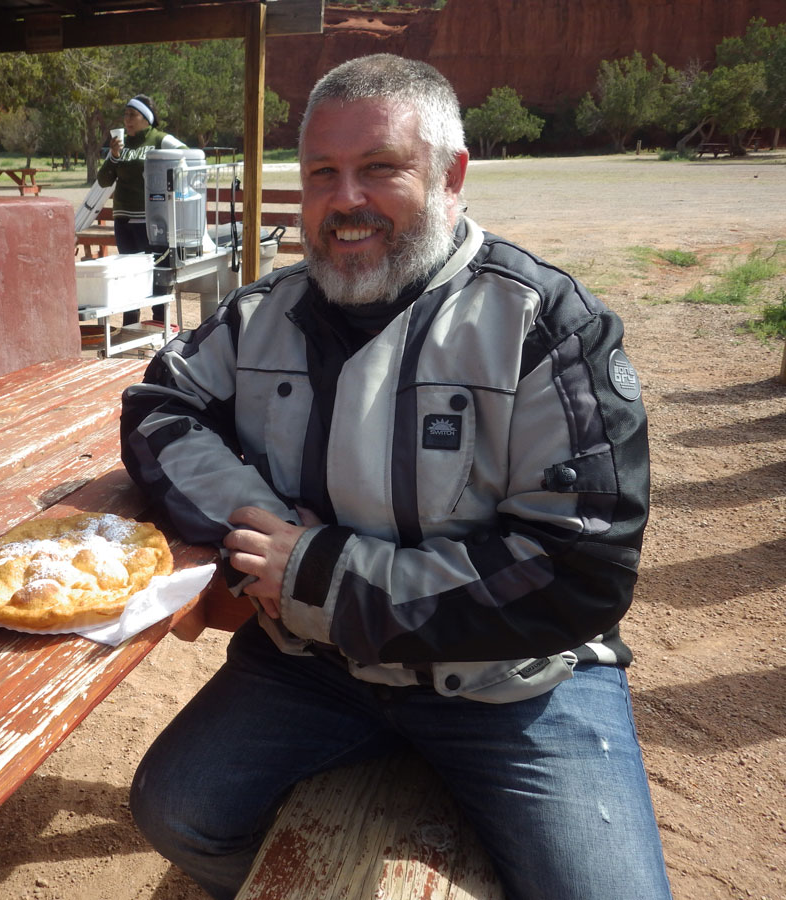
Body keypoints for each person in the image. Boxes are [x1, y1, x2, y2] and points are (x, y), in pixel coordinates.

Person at [119, 54, 672, 900]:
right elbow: (160, 407)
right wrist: (260, 522)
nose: (345, 201)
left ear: (452, 176)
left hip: (512, 683)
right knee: (175, 811)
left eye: (380, 170)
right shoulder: (261, 314)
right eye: (322, 174)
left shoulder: (547, 326)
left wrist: (316, 573)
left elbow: (578, 571)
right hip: (316, 667)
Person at [96, 95, 185, 326]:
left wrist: (168, 182)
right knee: (129, 276)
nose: (127, 119)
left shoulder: (158, 139)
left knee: (157, 273)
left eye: (132, 115)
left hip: (152, 220)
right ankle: (130, 327)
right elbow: (104, 180)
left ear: (146, 118)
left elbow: (185, 155)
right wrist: (114, 156)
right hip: (124, 220)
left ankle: (160, 324)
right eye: (125, 114)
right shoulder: (121, 144)